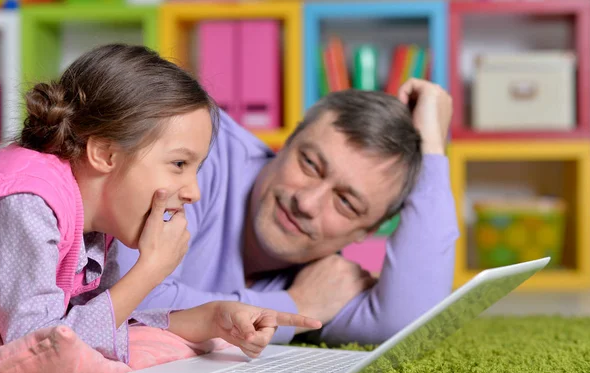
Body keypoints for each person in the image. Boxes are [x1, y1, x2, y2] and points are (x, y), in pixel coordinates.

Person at [0, 44, 321, 363]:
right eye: (179, 164)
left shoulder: (98, 223)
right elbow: (32, 347)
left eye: (197, 169)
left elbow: (101, 319)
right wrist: (149, 271)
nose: (194, 192)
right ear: (105, 154)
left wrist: (208, 319)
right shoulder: (29, 202)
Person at [117, 78, 458, 345]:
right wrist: (295, 307)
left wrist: (431, 149)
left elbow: (407, 320)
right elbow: (122, 299)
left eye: (346, 203)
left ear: (365, 231)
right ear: (286, 142)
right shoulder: (196, 154)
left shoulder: (323, 279)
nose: (307, 203)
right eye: (309, 164)